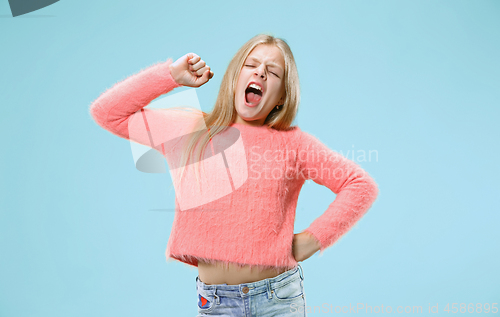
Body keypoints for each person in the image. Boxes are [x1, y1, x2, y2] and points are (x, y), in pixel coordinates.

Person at [89, 34, 379, 316]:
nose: (261, 73)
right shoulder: (191, 130)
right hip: (216, 303)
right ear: (234, 78)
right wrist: (171, 76)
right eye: (251, 65)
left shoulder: (293, 144)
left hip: (278, 297)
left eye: (273, 72)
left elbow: (359, 185)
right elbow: (108, 113)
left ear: (281, 98)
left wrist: (312, 240)